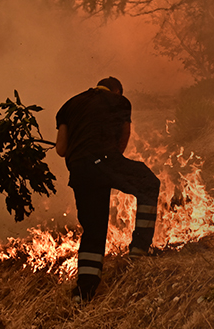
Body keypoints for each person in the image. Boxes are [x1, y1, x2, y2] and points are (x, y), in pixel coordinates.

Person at [55, 77, 161, 303]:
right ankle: (139, 252)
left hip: (79, 170)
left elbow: (61, 149)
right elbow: (123, 139)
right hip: (104, 160)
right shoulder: (119, 102)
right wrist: (110, 166)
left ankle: (84, 292)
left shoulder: (69, 105)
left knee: (93, 229)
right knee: (149, 183)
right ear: (117, 91)